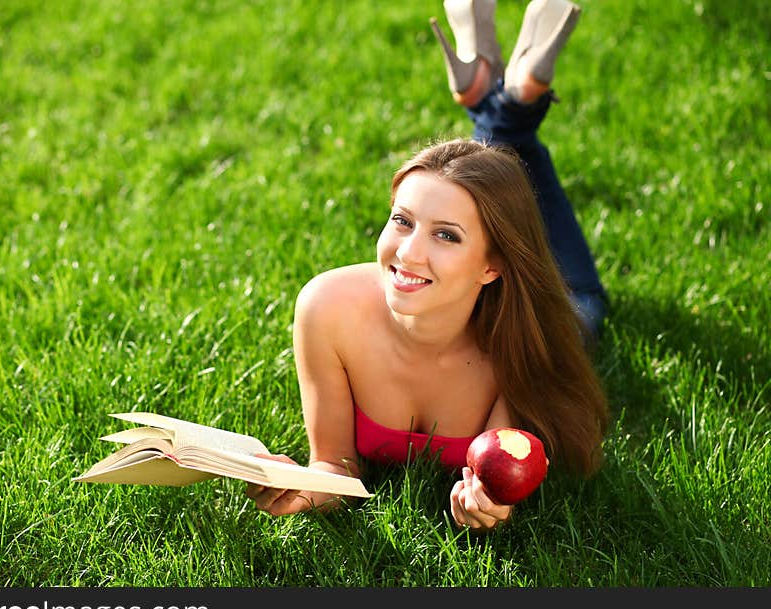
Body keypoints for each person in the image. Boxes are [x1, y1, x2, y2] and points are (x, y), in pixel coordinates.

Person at [246, 0, 609, 532]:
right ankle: (508, 104)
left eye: (446, 235)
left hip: (566, 305)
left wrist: (491, 509)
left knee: (585, 305)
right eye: (402, 220)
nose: (409, 252)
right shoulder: (326, 310)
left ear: (493, 266)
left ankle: (504, 110)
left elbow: (501, 484)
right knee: (490, 173)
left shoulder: (523, 340)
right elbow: (336, 466)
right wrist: (303, 490)